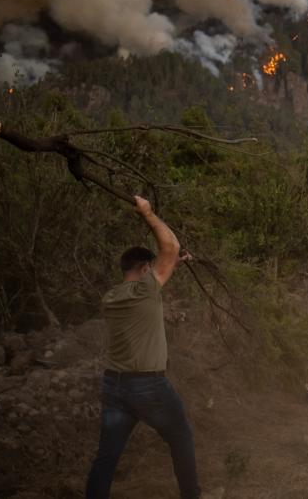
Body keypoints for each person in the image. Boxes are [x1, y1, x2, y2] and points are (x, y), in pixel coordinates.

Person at [86, 196, 202, 499]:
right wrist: (148, 214)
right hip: (147, 387)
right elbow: (171, 247)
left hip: (114, 387)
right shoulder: (146, 289)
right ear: (145, 267)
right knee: (181, 437)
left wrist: (171, 265)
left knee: (106, 458)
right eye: (151, 268)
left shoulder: (111, 297)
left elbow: (159, 270)